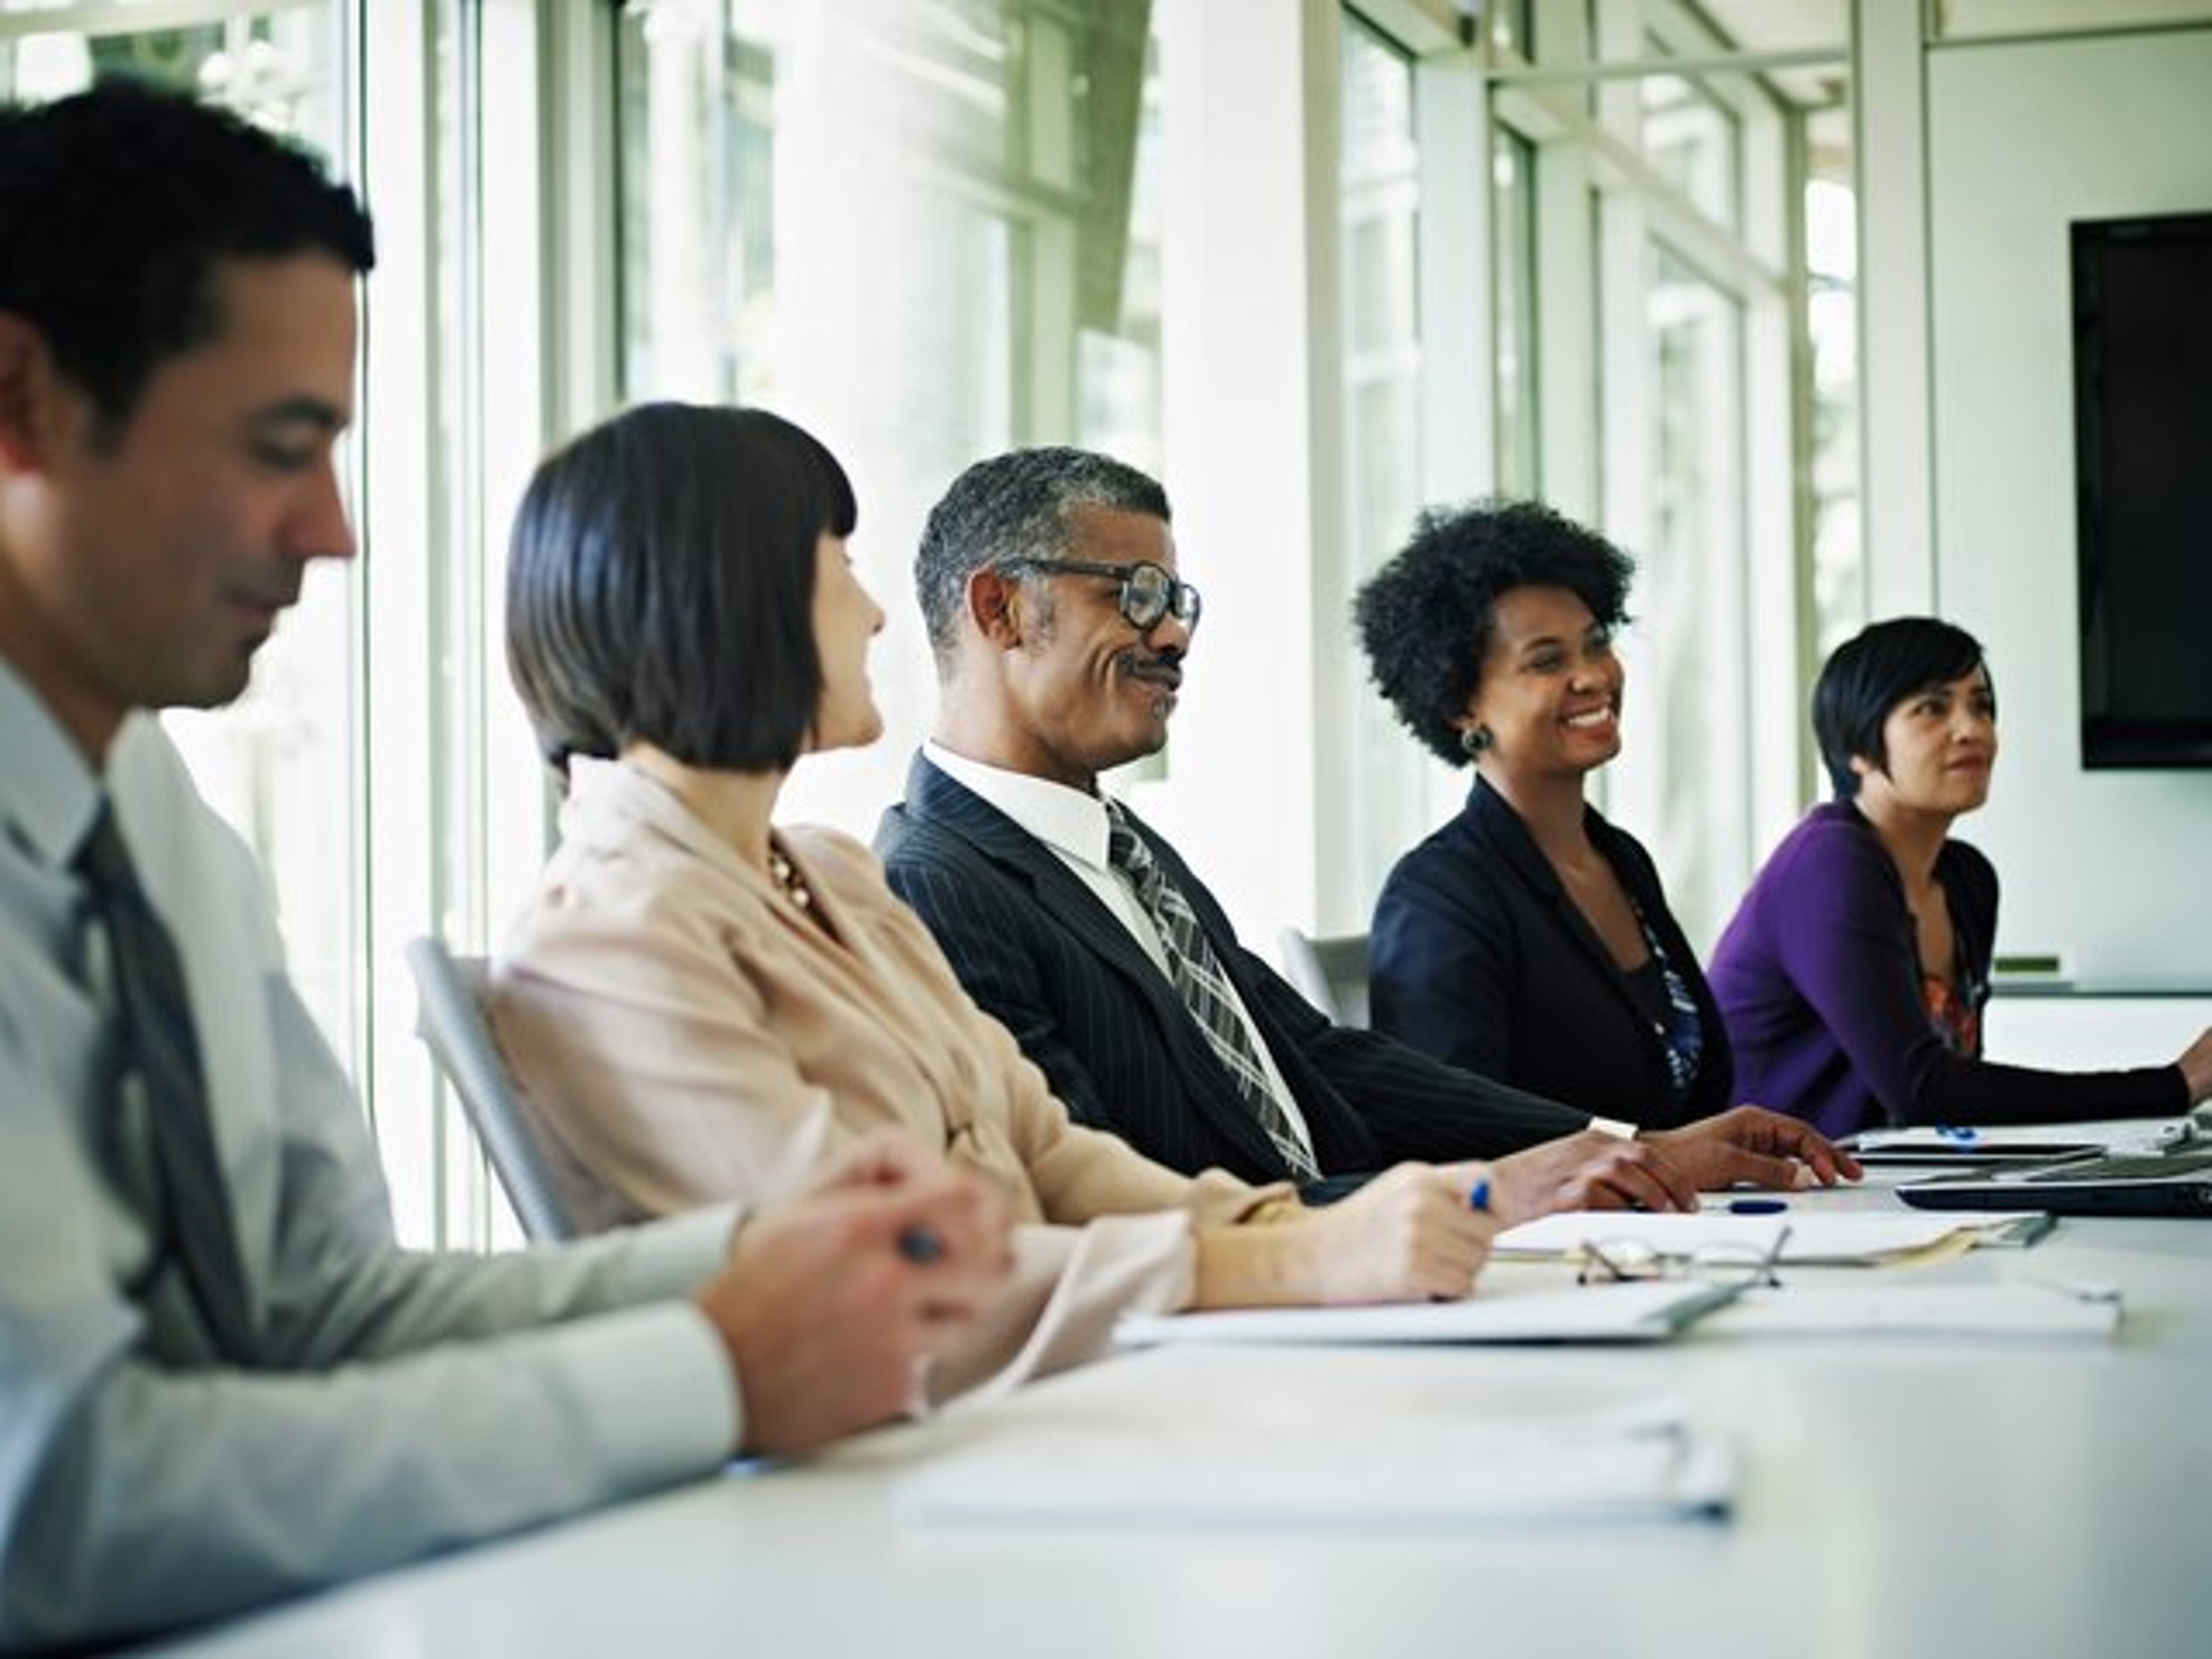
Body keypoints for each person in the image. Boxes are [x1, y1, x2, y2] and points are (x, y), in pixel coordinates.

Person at [0, 82, 1014, 1653]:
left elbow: (324, 1310)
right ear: (26, 401)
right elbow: (46, 1508)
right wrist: (713, 1368)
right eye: (283, 447)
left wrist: (759, 1265)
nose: (331, 533)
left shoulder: (164, 834)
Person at [488, 403, 1499, 1403]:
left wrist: (1301, 1233)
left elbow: (1051, 1153)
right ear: (719, 598)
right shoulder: (613, 932)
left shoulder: (834, 876)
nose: (876, 613)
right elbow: (883, 1276)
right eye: (837, 564)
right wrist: (1301, 1263)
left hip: (1053, 1402)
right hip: (906, 1466)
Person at [876, 446, 1854, 1211]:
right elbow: (1095, 1209)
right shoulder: (937, 882)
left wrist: (1622, 1147)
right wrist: (1474, 1199)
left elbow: (1322, 1055)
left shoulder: (1123, 847)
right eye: (1132, 594)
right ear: (1001, 610)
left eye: (1175, 600)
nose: (1172, 633)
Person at [1707, 616, 2212, 1138]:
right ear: (1856, 747)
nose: (1972, 729)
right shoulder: (1829, 864)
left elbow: (1958, 1100)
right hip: (1762, 1200)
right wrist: (2172, 1086)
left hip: (1879, 1184)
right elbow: (1923, 1087)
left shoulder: (1968, 878)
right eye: (1932, 708)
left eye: (1982, 705)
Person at [1353, 499, 1729, 1130]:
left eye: (1597, 644)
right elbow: (1453, 1136)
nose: (1593, 677)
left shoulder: (1621, 859)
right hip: (1542, 1229)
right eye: (1547, 661)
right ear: (1461, 706)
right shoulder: (1437, 900)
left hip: (1675, 1223)